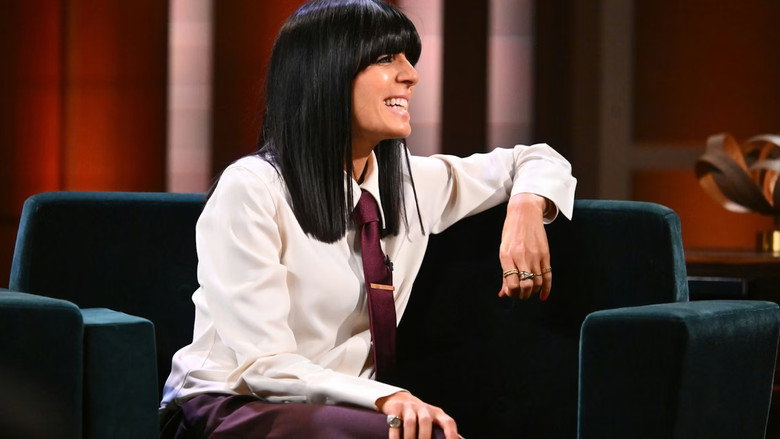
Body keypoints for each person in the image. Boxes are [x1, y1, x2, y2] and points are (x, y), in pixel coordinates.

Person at [160, 0, 576, 438]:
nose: (411, 75)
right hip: (229, 405)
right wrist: (386, 398)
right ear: (327, 73)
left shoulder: (409, 185)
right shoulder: (252, 188)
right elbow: (263, 365)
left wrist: (526, 208)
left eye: (408, 59)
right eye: (386, 59)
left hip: (341, 408)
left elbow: (536, 158)